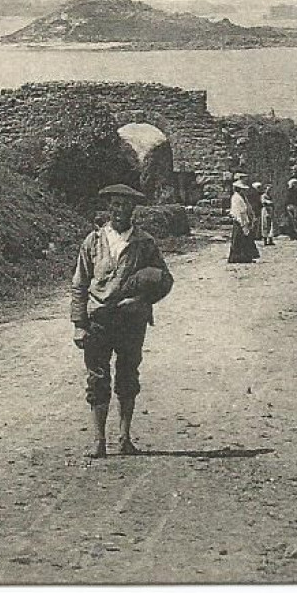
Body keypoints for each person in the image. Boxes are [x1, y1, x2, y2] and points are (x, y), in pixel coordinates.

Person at [71, 184, 174, 459]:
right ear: (108, 208)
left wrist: (142, 301)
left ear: (133, 209)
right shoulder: (92, 242)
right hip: (99, 319)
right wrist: (79, 324)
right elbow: (80, 284)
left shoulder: (144, 242)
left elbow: (164, 280)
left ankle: (125, 438)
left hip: (131, 320)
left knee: (128, 375)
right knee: (97, 378)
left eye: (125, 205)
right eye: (115, 205)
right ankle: (98, 440)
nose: (119, 210)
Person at [228, 176, 260, 264]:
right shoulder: (236, 198)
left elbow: (247, 208)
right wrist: (242, 222)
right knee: (238, 239)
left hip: (244, 219)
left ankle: (245, 257)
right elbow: (238, 211)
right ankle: (236, 257)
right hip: (239, 220)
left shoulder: (243, 197)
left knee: (245, 239)